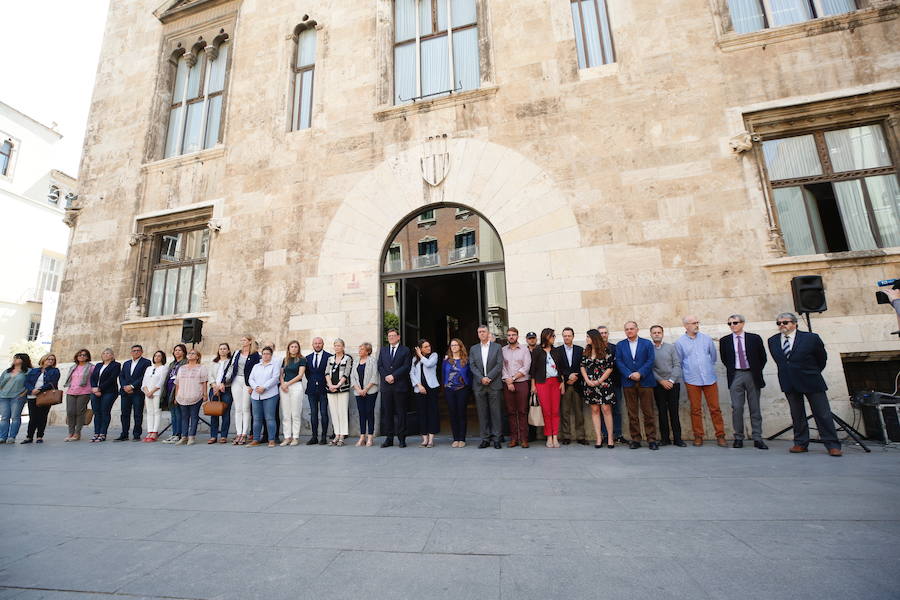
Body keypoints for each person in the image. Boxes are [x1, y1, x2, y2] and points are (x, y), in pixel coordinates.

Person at [767, 312, 841, 457]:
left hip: (811, 380)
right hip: (789, 381)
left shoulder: (810, 338)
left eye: (785, 322)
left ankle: (832, 444)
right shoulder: (773, 340)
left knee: (822, 413)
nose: (782, 325)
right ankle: (800, 443)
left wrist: (812, 371)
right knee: (797, 414)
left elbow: (821, 358)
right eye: (779, 323)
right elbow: (781, 361)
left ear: (795, 323)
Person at [675, 315, 726, 447]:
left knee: (715, 408)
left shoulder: (706, 339)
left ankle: (720, 435)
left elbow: (713, 357)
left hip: (709, 378)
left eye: (697, 322)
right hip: (692, 379)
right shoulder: (680, 342)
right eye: (693, 323)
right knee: (695, 409)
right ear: (686, 326)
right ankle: (698, 436)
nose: (696, 325)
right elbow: (679, 361)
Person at [720, 314, 768, 450]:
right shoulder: (725, 340)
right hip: (736, 375)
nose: (732, 326)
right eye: (729, 324)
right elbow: (725, 359)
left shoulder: (754, 338)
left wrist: (755, 370)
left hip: (752, 374)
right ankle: (738, 437)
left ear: (742, 323)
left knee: (755, 408)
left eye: (735, 323)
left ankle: (757, 438)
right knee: (737, 407)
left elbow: (762, 357)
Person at [616, 321, 658, 450]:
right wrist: (629, 374)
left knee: (648, 412)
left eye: (632, 329)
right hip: (628, 382)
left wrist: (640, 373)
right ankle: (635, 439)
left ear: (637, 329)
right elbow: (619, 361)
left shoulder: (647, 343)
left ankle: (651, 439)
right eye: (627, 329)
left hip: (645, 381)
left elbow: (650, 360)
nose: (629, 331)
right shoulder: (620, 345)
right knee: (632, 412)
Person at [650, 325, 685, 447]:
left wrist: (671, 380)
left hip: (673, 384)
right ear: (651, 334)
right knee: (662, 412)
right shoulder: (649, 349)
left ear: (663, 333)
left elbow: (677, 364)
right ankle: (665, 439)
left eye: (659, 332)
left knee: (674, 412)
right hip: (658, 385)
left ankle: (678, 439)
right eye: (654, 332)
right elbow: (651, 368)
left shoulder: (671, 347)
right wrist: (661, 381)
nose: (657, 334)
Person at [579, 329, 615, 448]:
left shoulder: (605, 350)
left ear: (594, 338)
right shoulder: (586, 351)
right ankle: (598, 438)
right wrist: (588, 380)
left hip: (604, 384)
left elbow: (609, 367)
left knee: (606, 409)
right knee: (594, 410)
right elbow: (582, 366)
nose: (586, 339)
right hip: (590, 385)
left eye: (588, 337)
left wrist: (599, 380)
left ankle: (610, 438)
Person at [470, 324, 503, 449]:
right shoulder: (473, 349)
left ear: (488, 333)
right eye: (479, 332)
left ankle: (497, 439)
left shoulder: (497, 347)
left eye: (484, 331)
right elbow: (472, 365)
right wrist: (481, 378)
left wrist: (489, 377)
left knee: (496, 413)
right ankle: (485, 438)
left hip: (494, 384)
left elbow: (499, 365)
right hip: (479, 385)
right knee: (482, 413)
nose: (481, 334)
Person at [378, 328, 412, 448]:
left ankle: (402, 438)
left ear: (398, 337)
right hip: (386, 387)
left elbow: (407, 366)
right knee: (388, 413)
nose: (391, 337)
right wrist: (386, 376)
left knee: (401, 412)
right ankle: (389, 438)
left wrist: (394, 376)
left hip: (399, 386)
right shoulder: (383, 350)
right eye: (389, 336)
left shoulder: (405, 350)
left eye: (393, 335)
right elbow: (380, 366)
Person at [553, 327, 586, 445]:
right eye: (565, 336)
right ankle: (566, 436)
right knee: (565, 411)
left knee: (579, 412)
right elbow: (557, 367)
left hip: (577, 384)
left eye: (569, 336)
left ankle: (581, 436)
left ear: (573, 336)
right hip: (564, 385)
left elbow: (583, 366)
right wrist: (568, 377)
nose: (567, 338)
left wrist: (575, 376)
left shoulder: (580, 349)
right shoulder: (557, 351)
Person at [530, 328, 562, 448]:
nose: (554, 338)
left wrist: (562, 382)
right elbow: (532, 370)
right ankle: (549, 436)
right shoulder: (537, 351)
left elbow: (561, 367)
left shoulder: (556, 351)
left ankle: (555, 436)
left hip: (555, 382)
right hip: (542, 383)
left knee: (555, 410)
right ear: (546, 337)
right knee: (546, 411)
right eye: (552, 336)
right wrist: (533, 385)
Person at [501, 327, 532, 448]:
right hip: (507, 384)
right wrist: (508, 381)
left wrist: (513, 379)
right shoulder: (503, 350)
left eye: (513, 335)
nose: (511, 337)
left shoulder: (524, 349)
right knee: (511, 412)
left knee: (523, 411)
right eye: (509, 335)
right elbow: (502, 367)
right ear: (507, 337)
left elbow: (526, 367)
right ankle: (514, 438)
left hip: (522, 383)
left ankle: (524, 439)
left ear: (517, 336)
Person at [597, 325, 627, 444]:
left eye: (605, 333)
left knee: (616, 409)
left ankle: (618, 434)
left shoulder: (615, 348)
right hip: (600, 385)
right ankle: (605, 435)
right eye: (601, 333)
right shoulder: (594, 349)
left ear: (608, 334)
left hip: (614, 383)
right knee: (603, 410)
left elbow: (618, 364)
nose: (603, 335)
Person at [22, 354, 61, 444]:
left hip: (45, 396)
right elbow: (27, 382)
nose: (51, 361)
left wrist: (39, 389)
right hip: (32, 396)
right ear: (43, 360)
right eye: (49, 359)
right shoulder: (34, 370)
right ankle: (29, 437)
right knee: (32, 417)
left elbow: (53, 383)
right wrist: (32, 389)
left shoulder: (55, 371)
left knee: (42, 417)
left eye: (53, 360)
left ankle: (40, 436)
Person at [227, 336, 259, 445]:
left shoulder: (255, 355)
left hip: (248, 382)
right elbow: (230, 367)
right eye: (242, 340)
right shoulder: (237, 353)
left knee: (246, 408)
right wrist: (224, 380)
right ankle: (238, 433)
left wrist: (252, 385)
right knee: (238, 408)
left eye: (245, 340)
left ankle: (244, 433)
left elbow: (256, 371)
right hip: (236, 380)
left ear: (250, 342)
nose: (242, 342)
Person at [116, 344, 151, 441]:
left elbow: (144, 376)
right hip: (125, 392)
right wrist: (125, 386)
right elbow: (121, 376)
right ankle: (124, 434)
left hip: (137, 392)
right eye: (134, 350)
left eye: (138, 350)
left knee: (138, 413)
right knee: (124, 414)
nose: (136, 352)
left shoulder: (146, 362)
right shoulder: (126, 363)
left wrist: (132, 386)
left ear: (141, 352)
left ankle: (136, 434)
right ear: (131, 352)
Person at [174, 349, 208, 446]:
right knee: (184, 417)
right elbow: (177, 383)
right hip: (182, 395)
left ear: (198, 357)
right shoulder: (182, 368)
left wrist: (205, 394)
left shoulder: (201, 368)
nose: (191, 355)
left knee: (194, 416)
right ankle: (184, 436)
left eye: (193, 353)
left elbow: (204, 381)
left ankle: (192, 436)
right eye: (189, 353)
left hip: (196, 394)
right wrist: (176, 396)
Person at [248, 346, 280, 447]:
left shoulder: (274, 365)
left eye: (268, 354)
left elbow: (275, 378)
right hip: (256, 395)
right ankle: (256, 439)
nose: (266, 356)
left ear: (271, 355)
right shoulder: (256, 366)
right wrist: (256, 387)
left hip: (270, 394)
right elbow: (251, 379)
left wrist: (264, 387)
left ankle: (271, 439)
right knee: (257, 418)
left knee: (270, 418)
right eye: (264, 354)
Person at [442, 339, 471, 448]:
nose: (453, 347)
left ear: (460, 346)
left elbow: (469, 375)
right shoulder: (446, 360)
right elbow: (443, 374)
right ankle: (456, 438)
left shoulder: (466, 360)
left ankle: (462, 439)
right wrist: (444, 386)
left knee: (461, 413)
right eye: (452, 345)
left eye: (456, 345)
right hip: (449, 390)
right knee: (453, 414)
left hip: (462, 390)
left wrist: (468, 387)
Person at [411, 338, 440, 447]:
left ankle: (431, 439)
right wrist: (418, 385)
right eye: (425, 347)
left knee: (431, 412)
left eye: (429, 346)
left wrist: (421, 355)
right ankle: (424, 439)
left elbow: (428, 364)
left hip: (431, 387)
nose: (428, 348)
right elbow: (411, 373)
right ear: (420, 348)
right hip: (420, 389)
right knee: (422, 413)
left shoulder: (434, 356)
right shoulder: (414, 359)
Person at [89, 348, 121, 443]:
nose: (106, 355)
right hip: (95, 391)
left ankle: (103, 433)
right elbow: (93, 377)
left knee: (105, 411)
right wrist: (94, 388)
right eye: (104, 353)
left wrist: (100, 388)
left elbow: (112, 378)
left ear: (112, 356)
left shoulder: (116, 365)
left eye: (108, 353)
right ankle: (96, 433)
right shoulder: (98, 365)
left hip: (109, 392)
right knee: (96, 412)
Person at [326, 339, 353, 446]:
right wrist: (330, 385)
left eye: (339, 345)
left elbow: (346, 373)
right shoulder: (330, 358)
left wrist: (337, 385)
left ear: (343, 347)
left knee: (342, 412)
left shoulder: (348, 358)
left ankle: (342, 436)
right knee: (334, 412)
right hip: (330, 389)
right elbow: (327, 372)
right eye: (335, 345)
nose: (337, 347)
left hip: (342, 388)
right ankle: (336, 434)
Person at [351, 342, 379, 447]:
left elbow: (374, 376)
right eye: (359, 349)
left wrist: (365, 389)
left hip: (371, 391)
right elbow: (352, 376)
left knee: (369, 412)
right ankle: (362, 436)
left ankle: (370, 437)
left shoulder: (372, 360)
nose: (359, 351)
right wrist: (358, 389)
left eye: (362, 349)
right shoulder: (356, 361)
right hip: (358, 392)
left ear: (368, 351)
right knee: (361, 413)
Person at [305, 337, 332, 445]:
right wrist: (313, 381)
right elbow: (307, 373)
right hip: (311, 389)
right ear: (312, 345)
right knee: (313, 413)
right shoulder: (308, 358)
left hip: (324, 388)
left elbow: (329, 372)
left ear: (323, 344)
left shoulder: (329, 357)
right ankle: (314, 437)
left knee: (324, 413)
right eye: (315, 343)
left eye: (319, 343)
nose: (317, 345)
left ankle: (324, 437)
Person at [0, 354, 33, 443]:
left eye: (17, 358)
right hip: (3, 396)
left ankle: (12, 437)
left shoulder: (28, 371)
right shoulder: (7, 371)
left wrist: (24, 394)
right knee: (4, 417)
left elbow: (31, 384)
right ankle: (2, 437)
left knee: (15, 417)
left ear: (23, 360)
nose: (15, 359)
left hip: (17, 397)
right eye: (15, 357)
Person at [279, 340, 307, 446]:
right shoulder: (285, 360)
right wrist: (283, 384)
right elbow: (281, 374)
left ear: (298, 348)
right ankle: (287, 437)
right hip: (284, 387)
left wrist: (288, 384)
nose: (294, 348)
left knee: (295, 413)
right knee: (286, 414)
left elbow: (300, 375)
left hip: (296, 386)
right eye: (292, 347)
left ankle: (295, 437)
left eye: (296, 347)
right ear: (288, 348)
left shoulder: (302, 359)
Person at [63, 349, 94, 441]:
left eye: (84, 355)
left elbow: (95, 379)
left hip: (84, 392)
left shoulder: (91, 367)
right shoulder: (73, 367)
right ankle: (70, 433)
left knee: (80, 413)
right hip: (71, 391)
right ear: (76, 357)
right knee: (70, 412)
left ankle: (77, 433)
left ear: (87, 357)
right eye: (80, 355)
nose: (82, 356)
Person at [160, 344, 187, 444]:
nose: (177, 352)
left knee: (179, 413)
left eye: (179, 350)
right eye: (176, 350)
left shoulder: (185, 363)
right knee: (173, 414)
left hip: (178, 390)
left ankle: (179, 434)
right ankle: (174, 433)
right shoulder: (172, 364)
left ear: (183, 352)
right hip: (169, 390)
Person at [209, 343, 234, 444]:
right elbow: (210, 375)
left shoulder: (231, 362)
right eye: (220, 349)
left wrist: (222, 384)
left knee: (225, 413)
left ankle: (223, 436)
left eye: (224, 349)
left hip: (226, 389)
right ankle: (213, 436)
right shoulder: (214, 362)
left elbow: (230, 374)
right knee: (214, 412)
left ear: (228, 351)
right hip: (214, 389)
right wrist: (214, 385)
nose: (222, 350)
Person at [141, 350, 168, 442]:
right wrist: (146, 392)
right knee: (149, 412)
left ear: (162, 358)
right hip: (147, 393)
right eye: (155, 356)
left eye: (159, 356)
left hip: (157, 393)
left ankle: (155, 432)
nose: (157, 357)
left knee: (156, 411)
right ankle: (149, 431)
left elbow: (161, 381)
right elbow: (144, 381)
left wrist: (152, 391)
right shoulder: (148, 368)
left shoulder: (163, 368)